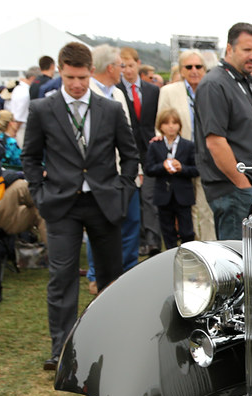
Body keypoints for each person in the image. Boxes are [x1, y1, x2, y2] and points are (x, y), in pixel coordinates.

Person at [21, 42, 139, 370]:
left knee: (112, 279)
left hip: (104, 203)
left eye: (83, 77)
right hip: (60, 205)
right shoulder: (43, 109)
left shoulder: (111, 109)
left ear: (91, 73)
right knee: (62, 276)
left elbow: (130, 156)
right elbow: (30, 157)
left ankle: (112, 343)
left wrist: (123, 191)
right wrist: (39, 194)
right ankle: (62, 350)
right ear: (60, 71)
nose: (77, 84)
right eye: (71, 77)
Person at [194, 22, 252, 240]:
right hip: (233, 191)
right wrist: (242, 185)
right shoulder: (215, 84)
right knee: (237, 263)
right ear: (229, 49)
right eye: (247, 50)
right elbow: (215, 142)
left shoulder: (244, 82)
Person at [88, 44, 140, 281]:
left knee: (131, 223)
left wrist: (134, 171)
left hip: (124, 174)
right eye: (120, 65)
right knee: (98, 229)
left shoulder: (118, 93)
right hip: (98, 178)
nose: (123, 69)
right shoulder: (87, 94)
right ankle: (94, 274)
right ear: (110, 68)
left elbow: (127, 138)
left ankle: (127, 273)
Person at [158, 49, 214, 240]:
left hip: (208, 156)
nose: (194, 70)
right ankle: (192, 249)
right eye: (188, 67)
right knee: (185, 209)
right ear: (181, 70)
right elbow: (160, 124)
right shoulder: (169, 92)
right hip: (180, 159)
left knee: (206, 207)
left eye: (198, 66)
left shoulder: (212, 89)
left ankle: (210, 247)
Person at [119, 47, 161, 255]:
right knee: (132, 196)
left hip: (150, 149)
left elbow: (158, 118)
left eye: (131, 65)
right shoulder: (116, 91)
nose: (127, 70)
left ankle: (153, 239)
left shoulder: (152, 90)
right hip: (127, 149)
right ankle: (138, 240)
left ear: (138, 64)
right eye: (123, 66)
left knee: (150, 196)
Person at [145, 109, 198, 248]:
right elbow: (148, 169)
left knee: (187, 230)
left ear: (179, 125)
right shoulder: (155, 145)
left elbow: (196, 169)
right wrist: (162, 167)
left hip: (183, 194)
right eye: (166, 123)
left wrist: (182, 168)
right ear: (160, 126)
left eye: (174, 123)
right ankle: (171, 256)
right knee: (167, 230)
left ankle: (189, 254)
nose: (171, 126)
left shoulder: (188, 145)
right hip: (163, 194)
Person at [8, 67, 38, 147]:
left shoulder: (18, 88)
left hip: (16, 127)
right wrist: (14, 131)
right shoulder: (26, 92)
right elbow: (21, 115)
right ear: (33, 78)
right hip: (21, 128)